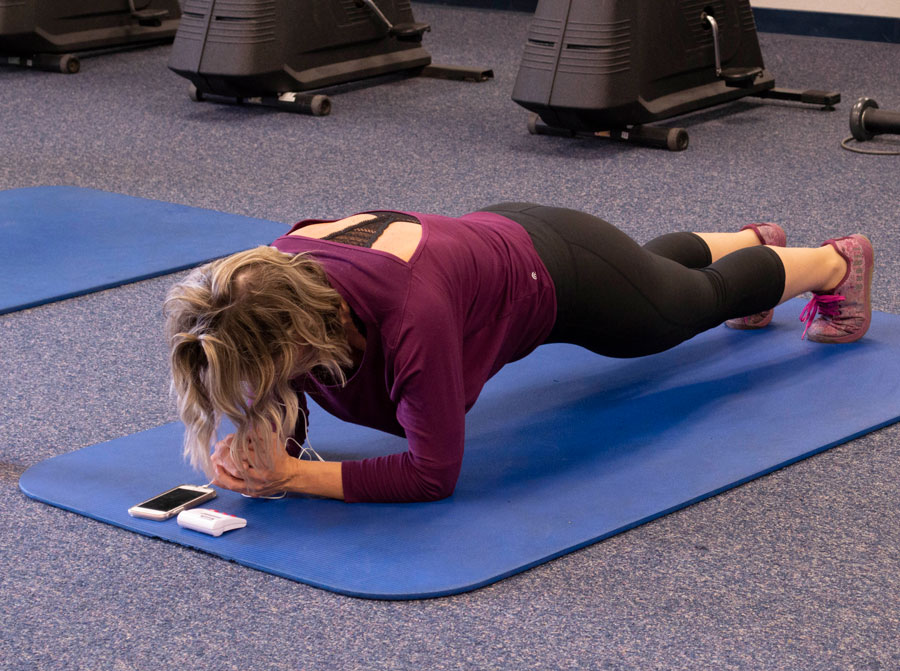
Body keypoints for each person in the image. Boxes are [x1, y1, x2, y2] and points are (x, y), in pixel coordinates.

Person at [164, 203, 874, 503]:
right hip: (504, 239)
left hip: (557, 269)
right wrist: (262, 423)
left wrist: (291, 474)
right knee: (651, 279)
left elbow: (432, 472)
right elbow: (281, 359)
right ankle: (752, 240)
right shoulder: (269, 278)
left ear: (297, 339)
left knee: (674, 313)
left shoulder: (412, 319)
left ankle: (833, 265)